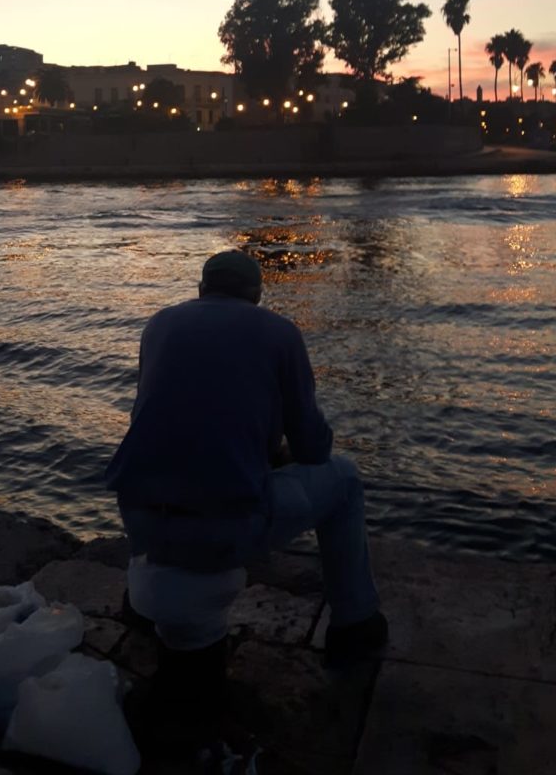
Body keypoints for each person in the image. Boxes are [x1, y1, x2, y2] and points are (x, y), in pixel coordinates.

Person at [105, 249, 387, 671]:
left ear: (201, 289)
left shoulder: (159, 324)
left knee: (161, 465)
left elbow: (153, 425)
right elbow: (313, 447)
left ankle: (140, 601)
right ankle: (356, 622)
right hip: (222, 529)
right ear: (257, 294)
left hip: (138, 519)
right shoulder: (281, 333)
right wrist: (276, 452)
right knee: (344, 480)